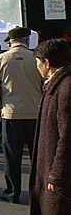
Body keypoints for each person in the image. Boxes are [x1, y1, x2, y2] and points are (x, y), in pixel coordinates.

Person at [0, 27, 43, 204]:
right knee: (38, 157)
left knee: (12, 155)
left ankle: (12, 192)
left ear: (10, 41)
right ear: (26, 40)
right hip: (36, 113)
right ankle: (38, 194)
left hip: (11, 114)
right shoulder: (37, 58)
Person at [30, 39, 71, 215]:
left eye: (38, 62)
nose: (37, 66)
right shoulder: (58, 83)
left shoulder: (65, 87)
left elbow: (67, 136)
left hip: (58, 174)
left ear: (46, 62)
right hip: (51, 169)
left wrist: (57, 174)